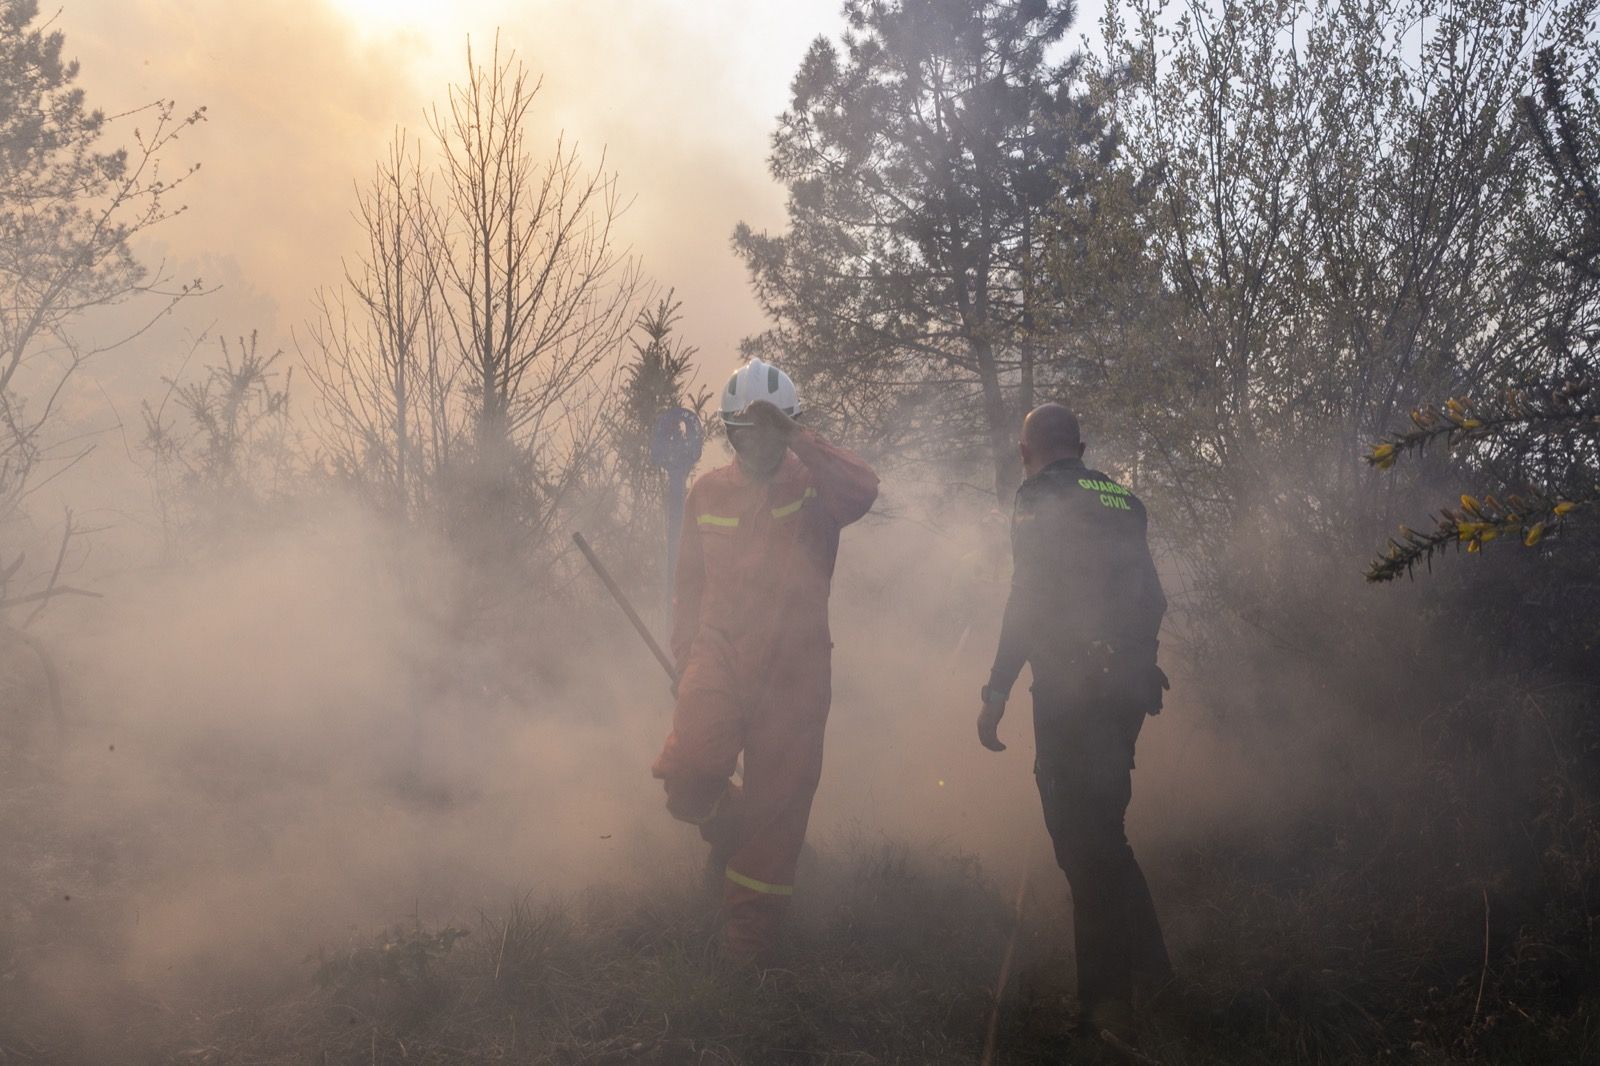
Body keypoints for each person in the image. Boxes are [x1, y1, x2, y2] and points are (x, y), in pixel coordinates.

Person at [653, 357, 878, 964]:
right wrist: (686, 662)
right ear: (727, 434)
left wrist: (799, 438)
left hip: (795, 670)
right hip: (719, 654)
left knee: (777, 815)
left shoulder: (815, 484)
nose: (752, 445)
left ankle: (744, 954)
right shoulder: (708, 491)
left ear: (787, 428)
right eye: (740, 432)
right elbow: (689, 586)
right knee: (689, 770)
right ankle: (728, 824)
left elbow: (863, 489)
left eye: (765, 431)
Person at [977, 403, 1173, 1031]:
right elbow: (1155, 596)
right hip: (1128, 691)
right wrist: (1137, 664)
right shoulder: (1124, 500)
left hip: (1071, 692)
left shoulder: (1035, 497)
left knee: (1080, 843)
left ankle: (1105, 1007)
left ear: (1027, 452)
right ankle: (1155, 977)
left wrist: (998, 687)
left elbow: (1027, 596)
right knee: (1105, 833)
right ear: (1082, 447)